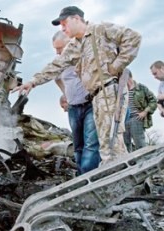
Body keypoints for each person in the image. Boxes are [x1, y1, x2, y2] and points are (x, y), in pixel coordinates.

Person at [13, 6, 142, 165]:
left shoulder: (100, 29)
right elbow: (56, 65)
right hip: (96, 96)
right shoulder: (75, 45)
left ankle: (121, 179)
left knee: (111, 142)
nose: (63, 28)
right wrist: (33, 82)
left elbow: (133, 37)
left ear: (76, 18)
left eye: (64, 23)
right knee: (107, 144)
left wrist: (116, 66)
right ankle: (120, 177)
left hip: (109, 90)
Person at [53, 31, 100, 175]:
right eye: (55, 49)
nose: (57, 52)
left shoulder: (84, 55)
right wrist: (65, 94)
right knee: (78, 145)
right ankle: (81, 176)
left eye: (59, 48)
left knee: (91, 143)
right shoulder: (59, 61)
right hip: (73, 107)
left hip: (90, 104)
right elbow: (56, 78)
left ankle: (88, 177)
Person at [123, 72, 158, 152]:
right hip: (124, 120)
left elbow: (153, 101)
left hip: (136, 118)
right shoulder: (121, 90)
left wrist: (145, 112)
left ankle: (146, 162)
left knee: (140, 143)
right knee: (125, 145)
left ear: (129, 77)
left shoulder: (141, 88)